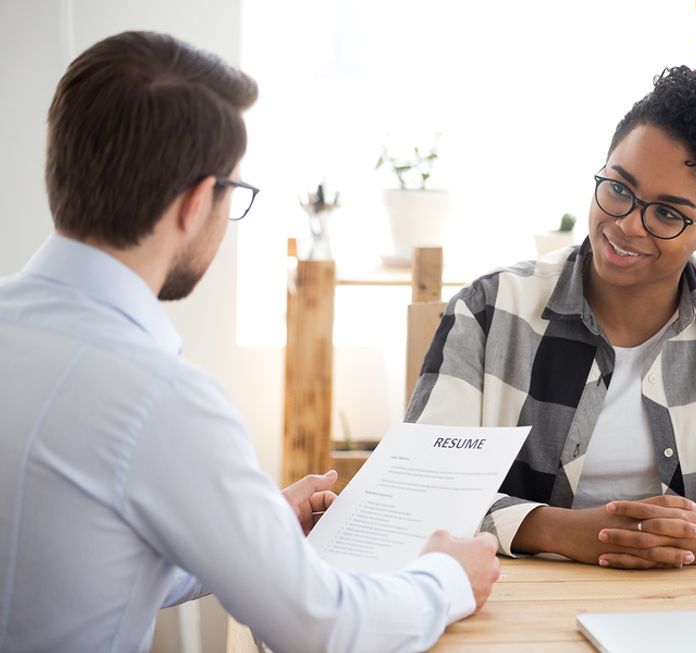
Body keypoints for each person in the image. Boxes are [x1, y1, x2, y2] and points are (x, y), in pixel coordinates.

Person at [0, 31, 499, 653]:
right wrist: (450, 577)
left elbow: (75, 565)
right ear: (192, 204)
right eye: (233, 193)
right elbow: (321, 628)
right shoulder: (159, 399)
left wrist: (248, 531)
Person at [407, 66, 696, 569]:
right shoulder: (488, 310)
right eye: (619, 189)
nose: (626, 226)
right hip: (509, 597)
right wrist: (560, 531)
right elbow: (421, 487)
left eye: (668, 214)